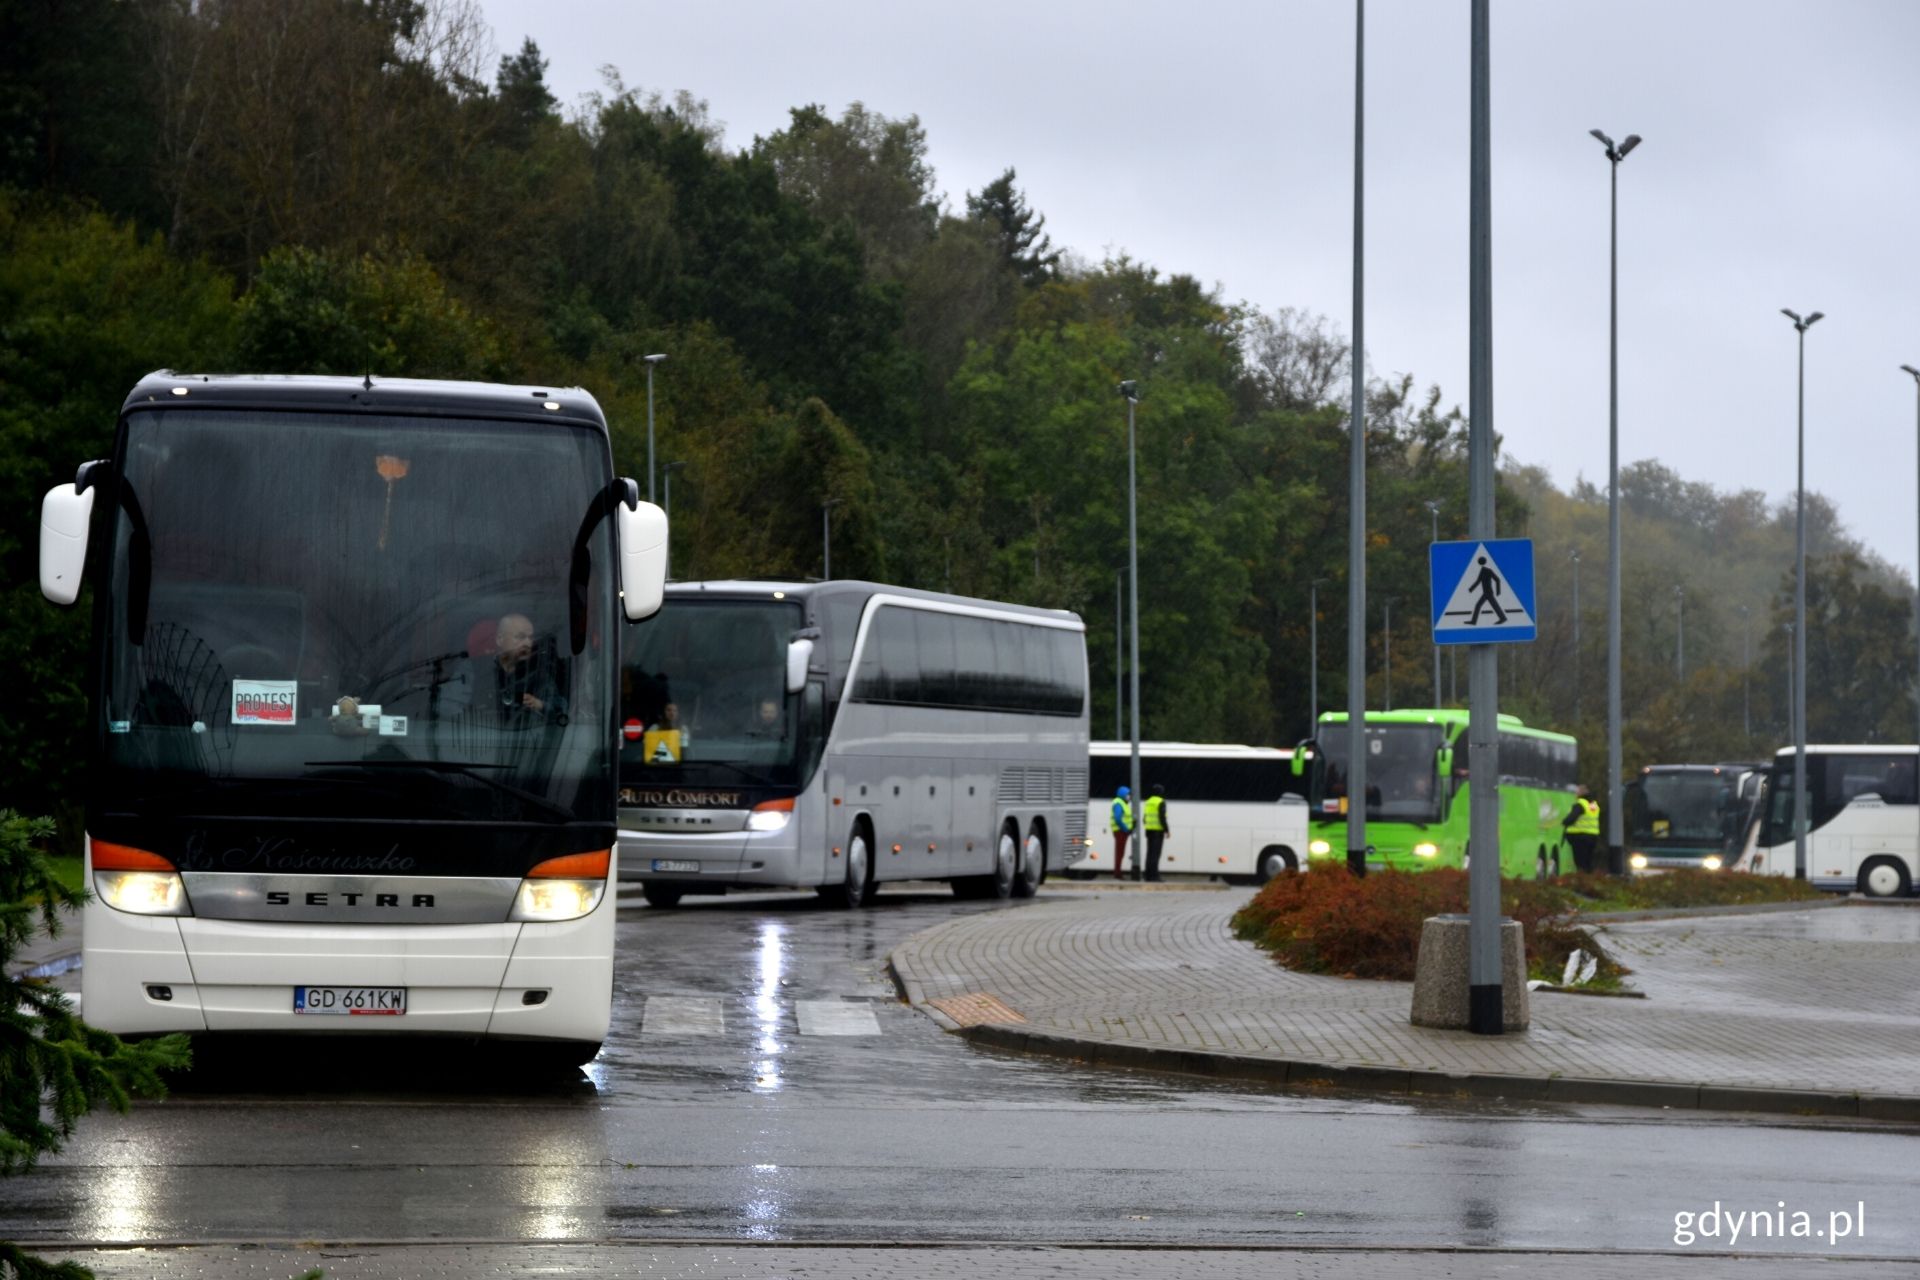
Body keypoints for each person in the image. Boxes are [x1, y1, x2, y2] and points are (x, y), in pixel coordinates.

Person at [1564, 783, 1601, 874]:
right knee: (1588, 861)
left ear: (1580, 793)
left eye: (1577, 792)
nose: (1575, 794)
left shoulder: (1580, 804)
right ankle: (1589, 879)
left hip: (1580, 837)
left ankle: (1582, 879)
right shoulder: (1593, 804)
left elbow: (1571, 818)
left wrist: (1564, 822)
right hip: (1593, 836)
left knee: (1580, 862)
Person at [1142, 784, 1171, 882]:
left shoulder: (1148, 801)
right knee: (1155, 854)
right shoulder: (1160, 802)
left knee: (1149, 854)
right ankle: (1154, 876)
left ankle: (1147, 875)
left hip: (1149, 831)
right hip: (1157, 832)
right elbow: (1162, 817)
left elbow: (1144, 818)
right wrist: (1167, 830)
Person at [1109, 785, 1134, 880]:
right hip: (1120, 831)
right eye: (1128, 794)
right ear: (1123, 794)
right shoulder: (1119, 803)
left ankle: (1118, 872)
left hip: (1122, 831)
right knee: (1119, 853)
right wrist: (1126, 829)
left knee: (1120, 852)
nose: (1129, 796)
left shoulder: (1122, 803)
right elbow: (1118, 819)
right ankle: (1117, 873)